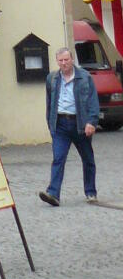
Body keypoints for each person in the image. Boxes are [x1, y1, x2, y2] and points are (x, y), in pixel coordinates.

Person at [40, 45, 101, 206]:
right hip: (60, 124)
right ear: (57, 62)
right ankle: (53, 193)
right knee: (58, 158)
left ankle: (90, 192)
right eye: (60, 60)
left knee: (87, 158)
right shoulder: (52, 79)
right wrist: (50, 124)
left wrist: (92, 121)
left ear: (72, 60)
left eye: (66, 59)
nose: (64, 63)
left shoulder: (85, 77)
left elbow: (93, 101)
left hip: (80, 123)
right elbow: (49, 103)